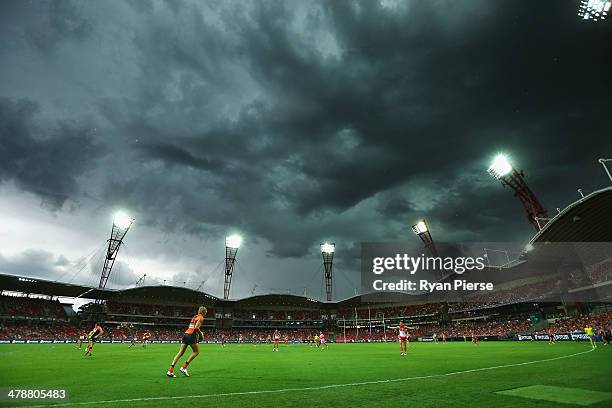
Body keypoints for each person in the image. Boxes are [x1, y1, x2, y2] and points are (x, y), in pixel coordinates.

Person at [167, 306, 206, 378]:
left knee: (180, 353)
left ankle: (170, 371)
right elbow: (196, 328)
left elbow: (191, 327)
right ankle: (184, 367)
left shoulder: (195, 317)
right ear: (204, 312)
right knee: (196, 352)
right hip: (191, 335)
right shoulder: (201, 318)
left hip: (186, 334)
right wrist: (201, 335)